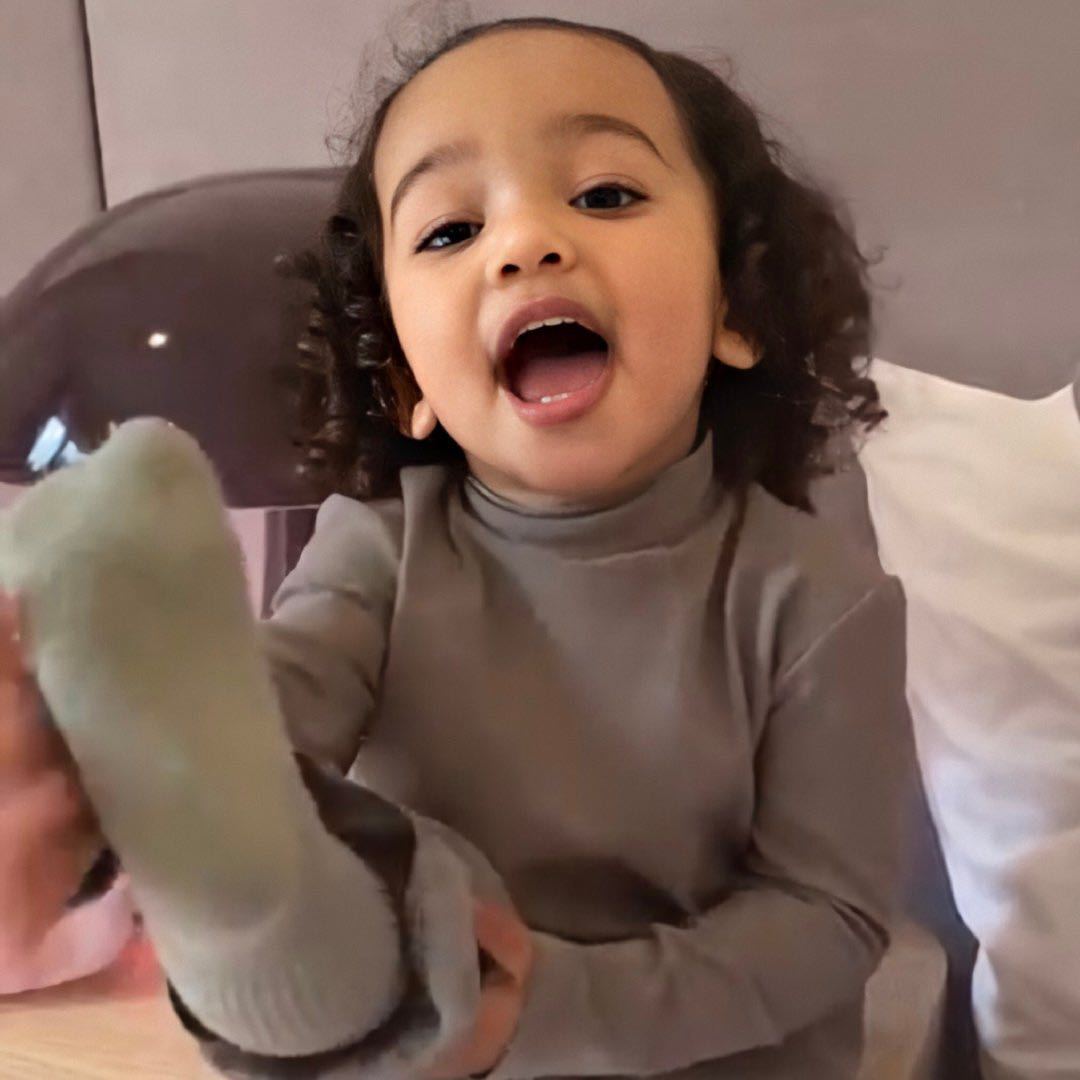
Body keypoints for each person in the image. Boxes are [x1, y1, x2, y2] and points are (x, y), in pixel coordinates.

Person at [0, 11, 918, 1078]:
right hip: (430, 1025)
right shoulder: (381, 549)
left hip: (696, 1060)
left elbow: (825, 920)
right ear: (404, 377)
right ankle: (230, 906)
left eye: (604, 195)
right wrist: (141, 756)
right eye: (450, 231)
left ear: (735, 306)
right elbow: (280, 702)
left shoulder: (819, 599)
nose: (526, 243)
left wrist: (543, 1006)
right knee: (261, 816)